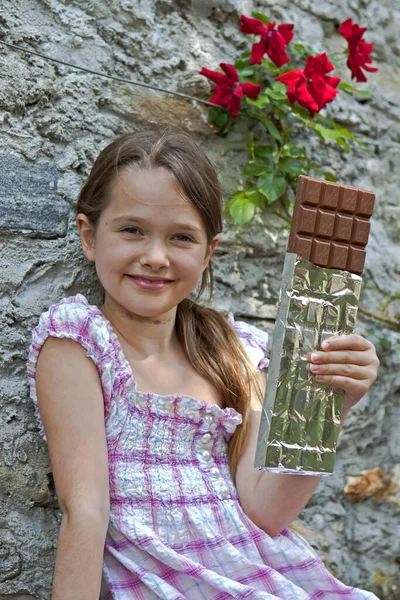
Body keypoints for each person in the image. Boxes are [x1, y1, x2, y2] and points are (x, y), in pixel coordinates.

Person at [27, 129, 380, 600]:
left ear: (208, 252)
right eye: (132, 230)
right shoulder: (80, 342)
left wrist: (331, 405)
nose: (155, 257)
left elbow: (265, 513)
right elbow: (85, 514)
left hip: (259, 578)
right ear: (89, 236)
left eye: (181, 238)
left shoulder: (233, 352)